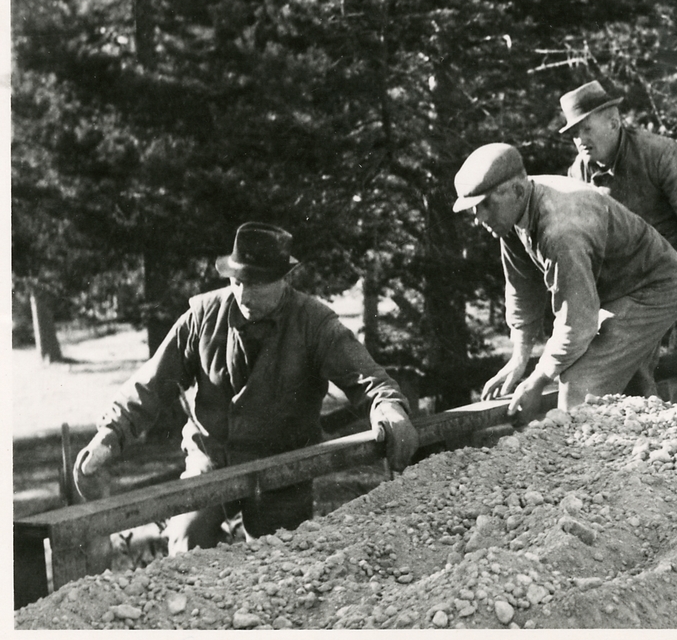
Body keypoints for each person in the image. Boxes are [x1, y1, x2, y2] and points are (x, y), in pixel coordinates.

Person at [73, 222, 420, 553]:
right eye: (238, 282)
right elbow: (150, 384)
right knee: (186, 541)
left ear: (283, 279)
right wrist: (111, 433)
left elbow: (367, 378)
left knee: (280, 560)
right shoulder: (202, 315)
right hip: (211, 460)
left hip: (284, 469)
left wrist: (388, 407)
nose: (243, 294)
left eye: (256, 284)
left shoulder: (314, 322)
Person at [454, 143, 677, 416]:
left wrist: (538, 380)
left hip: (653, 289)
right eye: (473, 208)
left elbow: (577, 323)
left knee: (579, 386)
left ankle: (590, 444)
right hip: (617, 289)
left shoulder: (562, 231)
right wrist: (518, 360)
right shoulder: (513, 209)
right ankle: (650, 437)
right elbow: (522, 287)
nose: (478, 218)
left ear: (517, 190)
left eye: (485, 204)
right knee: (627, 387)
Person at [561, 80, 677, 400]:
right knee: (634, 371)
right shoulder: (579, 173)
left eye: (586, 129)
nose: (580, 140)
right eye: (574, 133)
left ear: (613, 122)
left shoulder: (659, 154)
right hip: (634, 285)